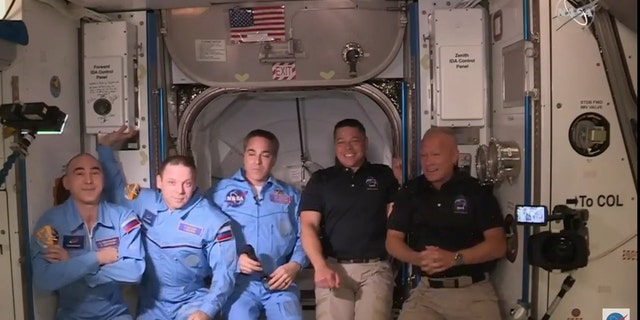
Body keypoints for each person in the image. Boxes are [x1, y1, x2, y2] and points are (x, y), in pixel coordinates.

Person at [97, 126, 238, 320]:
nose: (179, 191)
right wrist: (104, 148)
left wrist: (207, 310)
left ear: (195, 184)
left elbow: (225, 273)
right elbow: (115, 192)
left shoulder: (214, 221)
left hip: (191, 301)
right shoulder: (143, 201)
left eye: (187, 183)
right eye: (172, 182)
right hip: (151, 302)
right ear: (159, 182)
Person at [386, 127, 506, 320]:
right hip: (427, 294)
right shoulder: (411, 191)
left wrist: (455, 258)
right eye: (424, 155)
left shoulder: (476, 191)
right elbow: (392, 241)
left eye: (435, 154)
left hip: (473, 294)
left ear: (454, 157)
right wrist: (418, 258)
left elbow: (498, 245)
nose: (428, 162)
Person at [299, 118, 401, 320]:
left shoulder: (383, 174)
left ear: (366, 142)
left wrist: (402, 182)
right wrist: (320, 267)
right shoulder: (321, 180)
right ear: (334, 145)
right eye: (341, 141)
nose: (348, 147)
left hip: (375, 269)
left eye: (354, 140)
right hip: (332, 267)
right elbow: (308, 226)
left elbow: (397, 219)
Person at [207, 129, 308, 320]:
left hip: (279, 281)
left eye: (265, 155)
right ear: (244, 155)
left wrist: (295, 265)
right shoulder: (219, 193)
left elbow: (305, 236)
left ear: (274, 159)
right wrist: (234, 261)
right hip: (237, 284)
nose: (257, 161)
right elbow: (205, 239)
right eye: (251, 153)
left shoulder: (290, 196)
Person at [30, 153, 145, 320]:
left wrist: (71, 263)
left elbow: (134, 271)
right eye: (79, 173)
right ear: (66, 182)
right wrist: (98, 258)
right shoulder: (51, 223)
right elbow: (44, 279)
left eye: (95, 172)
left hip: (116, 315)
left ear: (103, 179)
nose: (89, 180)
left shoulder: (123, 218)